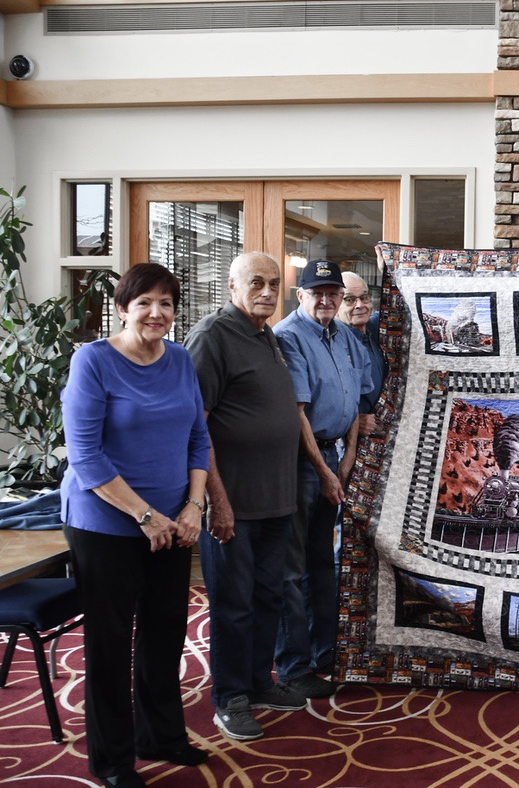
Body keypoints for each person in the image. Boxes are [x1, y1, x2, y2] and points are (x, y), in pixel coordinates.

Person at [60, 263, 210, 788]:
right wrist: (143, 515)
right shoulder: (93, 361)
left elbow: (198, 439)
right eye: (144, 302)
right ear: (122, 309)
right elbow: (85, 455)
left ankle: (162, 736)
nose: (156, 312)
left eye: (166, 303)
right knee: (109, 643)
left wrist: (194, 507)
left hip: (172, 523)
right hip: (107, 525)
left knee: (166, 634)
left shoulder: (181, 360)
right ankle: (113, 761)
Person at [185, 252, 306, 741]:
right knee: (233, 604)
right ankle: (229, 698)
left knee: (267, 597)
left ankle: (258, 682)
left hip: (276, 498)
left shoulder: (265, 336)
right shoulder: (213, 337)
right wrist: (217, 499)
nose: (267, 291)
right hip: (232, 504)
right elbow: (197, 426)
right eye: (256, 282)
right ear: (232, 285)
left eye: (274, 283)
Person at [274, 259, 376, 699]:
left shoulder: (347, 336)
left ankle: (324, 654)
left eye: (334, 292)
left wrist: (348, 458)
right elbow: (296, 415)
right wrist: (325, 471)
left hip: (335, 456)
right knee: (292, 570)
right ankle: (294, 666)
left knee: (322, 564)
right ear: (301, 296)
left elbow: (356, 401)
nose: (328, 300)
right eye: (318, 292)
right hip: (301, 462)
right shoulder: (287, 337)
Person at [338, 270, 386, 434]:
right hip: (347, 442)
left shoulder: (372, 329)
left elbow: (396, 304)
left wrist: (388, 270)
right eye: (349, 300)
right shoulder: (333, 344)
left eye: (364, 297)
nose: (360, 305)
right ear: (335, 303)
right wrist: (354, 422)